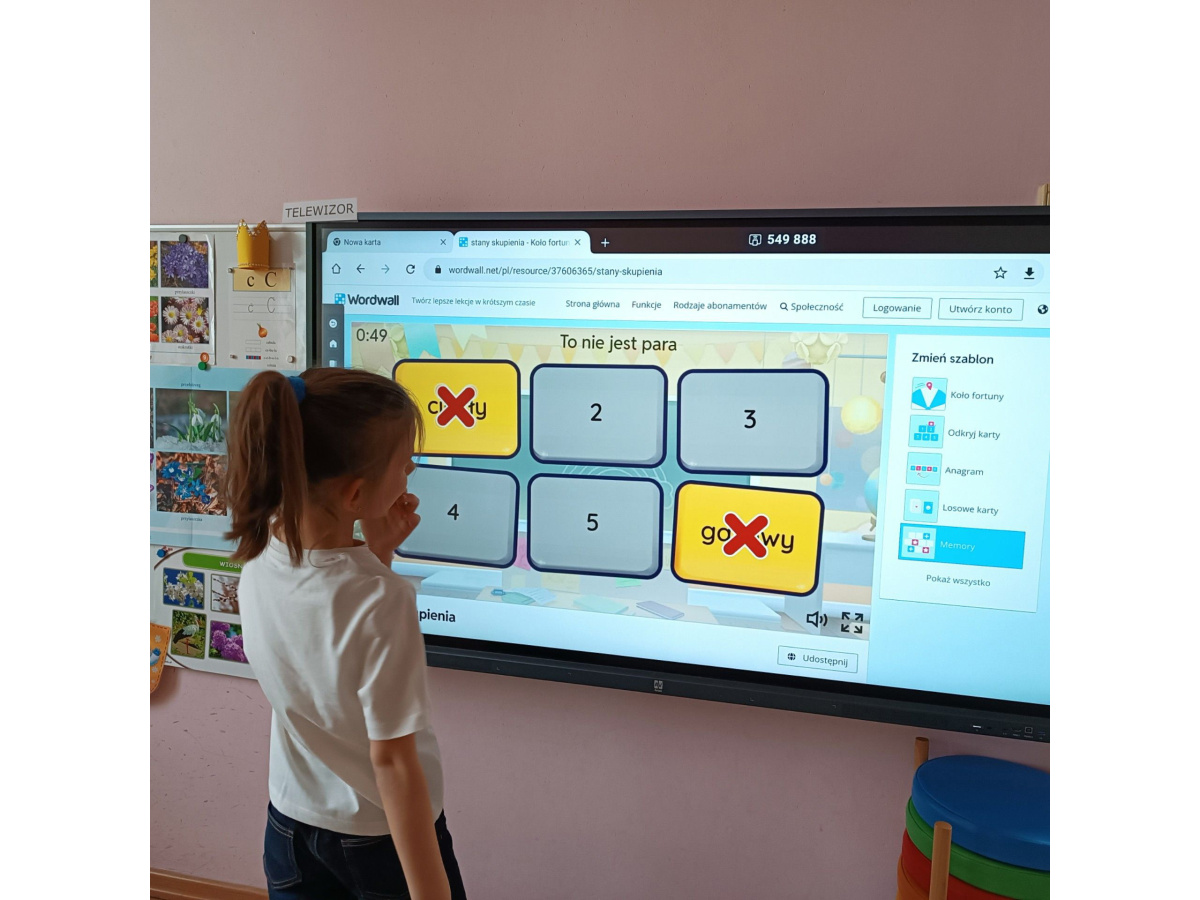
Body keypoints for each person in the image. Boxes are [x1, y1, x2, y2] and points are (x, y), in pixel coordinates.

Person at [225, 368, 466, 900]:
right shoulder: (382, 599)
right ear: (356, 494)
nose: (410, 474)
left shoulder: (259, 559)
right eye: (405, 466)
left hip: (289, 825)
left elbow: (327, 647)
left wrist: (376, 554)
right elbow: (393, 762)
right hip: (375, 839)